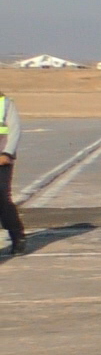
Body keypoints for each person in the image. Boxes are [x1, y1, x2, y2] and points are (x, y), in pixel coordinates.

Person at [0, 92, 25, 255]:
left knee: (2, 198)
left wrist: (7, 153)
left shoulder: (5, 103)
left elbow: (14, 129)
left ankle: (17, 236)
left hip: (1, 158)